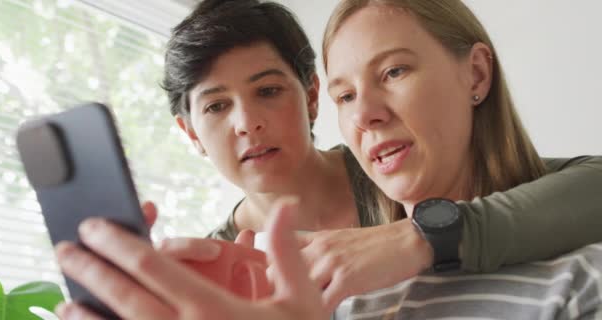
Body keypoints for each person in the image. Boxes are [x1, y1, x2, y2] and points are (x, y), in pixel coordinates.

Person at [53, 0, 602, 319]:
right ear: (189, 131)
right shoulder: (218, 275)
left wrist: (418, 237)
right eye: (217, 106)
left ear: (308, 96)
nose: (247, 123)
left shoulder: (403, 171)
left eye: (268, 90)